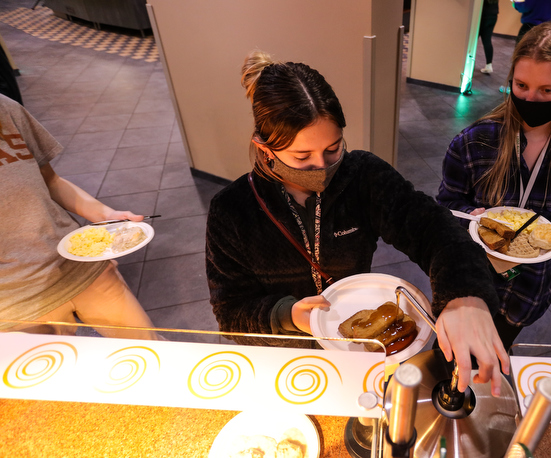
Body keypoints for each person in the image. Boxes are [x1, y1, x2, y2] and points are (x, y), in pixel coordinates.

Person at [205, 51, 509, 396]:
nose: (321, 167)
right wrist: (288, 313)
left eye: (333, 149)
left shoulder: (362, 175)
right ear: (265, 148)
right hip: (280, 364)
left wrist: (464, 297)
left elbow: (433, 229)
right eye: (302, 157)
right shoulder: (231, 210)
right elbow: (230, 311)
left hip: (358, 356)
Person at [437, 21, 551, 350]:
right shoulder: (473, 143)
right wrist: (471, 214)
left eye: (547, 91)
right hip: (470, 279)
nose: (531, 98)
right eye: (521, 85)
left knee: (493, 357)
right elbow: (446, 204)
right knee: (450, 358)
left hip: (527, 290)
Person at [0, 94, 156, 339]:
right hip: (15, 301)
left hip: (81, 266)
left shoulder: (6, 108)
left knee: (149, 348)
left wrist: (107, 215)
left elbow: (51, 180)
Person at [479, 0, 500, 74]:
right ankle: (489, 65)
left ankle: (466, 63)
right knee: (487, 40)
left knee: (473, 40)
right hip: (493, 15)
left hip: (483, 15)